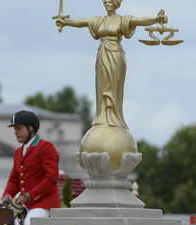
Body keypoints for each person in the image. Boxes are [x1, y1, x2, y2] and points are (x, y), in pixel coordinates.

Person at [55, 0, 168, 129]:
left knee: (114, 86)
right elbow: (81, 22)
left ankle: (115, 118)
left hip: (116, 55)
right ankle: (102, 117)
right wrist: (65, 22)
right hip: (102, 55)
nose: (106, 3)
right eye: (105, 1)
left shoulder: (122, 19)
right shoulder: (98, 20)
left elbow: (140, 21)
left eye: (109, 1)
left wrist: (156, 19)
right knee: (101, 86)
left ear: (116, 3)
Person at [2, 110, 61, 225]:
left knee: (29, 224)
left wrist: (29, 195)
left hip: (45, 204)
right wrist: (7, 194)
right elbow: (14, 180)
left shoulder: (46, 147)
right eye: (15, 129)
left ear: (31, 128)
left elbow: (51, 178)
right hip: (26, 205)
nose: (16, 132)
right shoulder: (18, 152)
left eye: (19, 128)